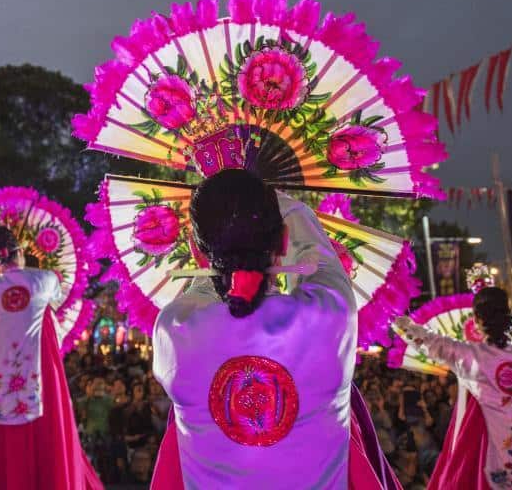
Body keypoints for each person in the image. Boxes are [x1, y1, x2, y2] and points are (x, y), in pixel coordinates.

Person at [150, 169, 400, 489]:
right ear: (283, 240)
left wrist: (225, 242)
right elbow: (320, 258)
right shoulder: (328, 316)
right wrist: (279, 198)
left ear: (197, 252)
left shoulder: (175, 330)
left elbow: (201, 294)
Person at [0, 226, 102, 490]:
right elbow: (55, 303)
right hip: (39, 371)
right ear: (20, 251)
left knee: (2, 434)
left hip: (1, 375)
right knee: (45, 433)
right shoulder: (46, 279)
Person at [395, 286, 512, 489]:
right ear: (511, 318)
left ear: (477, 320)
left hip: (486, 445)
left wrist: (401, 322)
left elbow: (430, 342)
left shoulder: (471, 356)